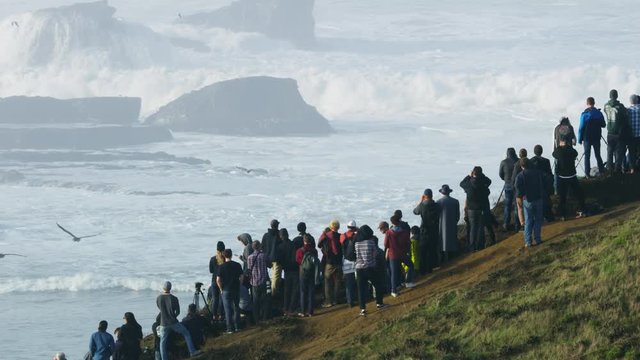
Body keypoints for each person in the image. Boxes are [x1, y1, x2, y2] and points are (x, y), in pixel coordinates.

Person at [156, 281, 200, 359]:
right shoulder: (174, 298)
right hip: (173, 322)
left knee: (162, 342)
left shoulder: (158, 298)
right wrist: (173, 316)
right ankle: (192, 351)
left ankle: (164, 358)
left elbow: (160, 308)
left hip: (163, 323)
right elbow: (178, 312)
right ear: (170, 288)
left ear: (163, 288)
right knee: (186, 333)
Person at [354, 225, 388, 316]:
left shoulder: (357, 244)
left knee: (361, 289)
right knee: (377, 285)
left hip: (359, 268)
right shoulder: (371, 242)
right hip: (370, 267)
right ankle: (379, 303)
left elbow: (357, 256)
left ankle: (362, 309)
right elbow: (375, 254)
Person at [553, 140, 586, 220]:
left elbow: (554, 154)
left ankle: (563, 215)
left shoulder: (559, 151)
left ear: (561, 142)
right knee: (579, 194)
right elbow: (576, 153)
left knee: (562, 197)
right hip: (572, 176)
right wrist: (567, 146)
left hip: (562, 177)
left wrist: (560, 146)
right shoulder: (571, 150)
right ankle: (582, 210)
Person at [515, 158, 545, 247]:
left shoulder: (520, 176)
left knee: (528, 221)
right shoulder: (537, 172)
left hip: (527, 200)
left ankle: (528, 242)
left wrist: (520, 198)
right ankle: (538, 239)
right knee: (538, 220)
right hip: (538, 198)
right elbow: (543, 183)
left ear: (521, 166)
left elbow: (518, 189)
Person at [460, 167, 491, 251]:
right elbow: (489, 181)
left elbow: (461, 183)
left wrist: (469, 176)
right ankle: (480, 245)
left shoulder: (468, 184)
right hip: (481, 208)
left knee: (473, 228)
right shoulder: (482, 182)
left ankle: (472, 246)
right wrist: (481, 175)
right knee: (480, 227)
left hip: (471, 209)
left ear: (473, 173)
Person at [384, 215, 415, 297]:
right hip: (402, 254)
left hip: (393, 255)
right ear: (399, 221)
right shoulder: (404, 232)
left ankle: (393, 291)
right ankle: (408, 282)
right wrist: (407, 251)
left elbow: (385, 244)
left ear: (392, 222)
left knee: (393, 273)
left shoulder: (388, 233)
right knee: (411, 265)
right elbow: (408, 243)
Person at [413, 188, 440, 274]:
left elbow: (415, 212)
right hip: (434, 230)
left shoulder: (422, 205)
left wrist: (421, 201)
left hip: (424, 231)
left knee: (423, 252)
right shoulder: (437, 205)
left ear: (424, 196)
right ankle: (432, 267)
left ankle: (423, 270)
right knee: (432, 250)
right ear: (432, 196)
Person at [217, 249, 244, 333]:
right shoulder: (237, 265)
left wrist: (221, 289)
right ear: (231, 255)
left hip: (226, 290)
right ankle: (237, 326)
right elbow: (242, 276)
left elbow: (218, 280)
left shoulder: (221, 266)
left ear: (224, 256)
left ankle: (230, 329)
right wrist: (240, 285)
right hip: (235, 288)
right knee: (236, 307)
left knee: (227, 310)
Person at [578, 98, 606, 176]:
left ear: (587, 104)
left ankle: (587, 174)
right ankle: (602, 171)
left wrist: (580, 139)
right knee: (598, 155)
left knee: (587, 156)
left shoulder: (584, 114)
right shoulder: (599, 113)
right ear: (594, 103)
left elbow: (581, 128)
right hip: (596, 137)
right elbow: (604, 125)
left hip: (587, 138)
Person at [318, 220, 343, 307]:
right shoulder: (341, 236)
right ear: (338, 227)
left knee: (327, 281)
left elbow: (320, 245)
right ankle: (337, 300)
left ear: (331, 226)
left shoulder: (327, 236)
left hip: (330, 262)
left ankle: (328, 301)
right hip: (339, 261)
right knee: (338, 281)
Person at [604, 89, 630, 173]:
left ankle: (609, 168)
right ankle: (617, 169)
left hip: (610, 132)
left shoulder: (606, 106)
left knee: (610, 151)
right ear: (617, 96)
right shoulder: (620, 106)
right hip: (618, 133)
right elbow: (625, 115)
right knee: (619, 152)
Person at [278, 228, 301, 315]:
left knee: (287, 290)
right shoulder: (293, 244)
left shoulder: (280, 247)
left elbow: (279, 260)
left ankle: (286, 308)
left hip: (286, 270)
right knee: (295, 290)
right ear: (287, 234)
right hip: (295, 269)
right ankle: (292, 308)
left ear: (281, 236)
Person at [247, 240, 271, 323]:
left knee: (255, 301)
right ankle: (265, 317)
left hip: (254, 282)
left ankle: (257, 319)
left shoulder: (249, 257)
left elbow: (249, 270)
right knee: (265, 300)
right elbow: (270, 265)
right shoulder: (263, 255)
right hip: (264, 281)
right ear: (259, 246)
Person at [530, 144, 554, 222]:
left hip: (535, 185)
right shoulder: (546, 161)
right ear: (541, 151)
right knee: (546, 201)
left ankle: (540, 217)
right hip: (545, 184)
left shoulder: (531, 161)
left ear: (534, 152)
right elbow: (550, 173)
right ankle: (548, 216)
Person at [296, 234, 319, 317]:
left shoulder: (300, 250)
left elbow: (298, 261)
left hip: (303, 272)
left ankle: (303, 311)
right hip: (312, 272)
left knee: (303, 292)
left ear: (304, 241)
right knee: (311, 292)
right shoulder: (314, 251)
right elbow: (316, 261)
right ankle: (310, 312)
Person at [437, 184, 460, 263]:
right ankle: (452, 260)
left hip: (441, 227)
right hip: (452, 225)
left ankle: (442, 262)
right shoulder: (455, 201)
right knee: (452, 242)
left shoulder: (438, 202)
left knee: (442, 243)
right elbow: (457, 216)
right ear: (449, 192)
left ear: (442, 193)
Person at [499, 148, 519, 230]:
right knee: (517, 205)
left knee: (507, 205)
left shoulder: (504, 162)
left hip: (508, 185)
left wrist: (506, 179)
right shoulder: (518, 161)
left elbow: (500, 174)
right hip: (517, 185)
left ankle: (506, 223)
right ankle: (517, 224)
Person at [340, 221, 358, 307]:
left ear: (347, 227)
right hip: (357, 260)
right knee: (359, 280)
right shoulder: (357, 236)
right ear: (354, 228)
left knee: (349, 282)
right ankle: (360, 297)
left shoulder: (342, 236)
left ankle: (350, 301)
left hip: (347, 260)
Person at [262, 219, 282, 296]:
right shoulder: (279, 235)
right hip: (277, 260)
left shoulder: (265, 235)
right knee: (275, 278)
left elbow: (262, 247)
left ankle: (269, 293)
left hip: (268, 259)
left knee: (271, 278)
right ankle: (273, 295)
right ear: (277, 226)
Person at [209, 241, 226, 321]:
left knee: (215, 299)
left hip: (214, 280)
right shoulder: (225, 258)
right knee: (222, 298)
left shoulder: (213, 259)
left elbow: (211, 271)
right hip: (223, 280)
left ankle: (214, 315)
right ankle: (221, 315)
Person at [628, 94, 640, 173]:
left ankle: (632, 169)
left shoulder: (628, 110)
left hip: (631, 136)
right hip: (639, 135)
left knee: (631, 153)